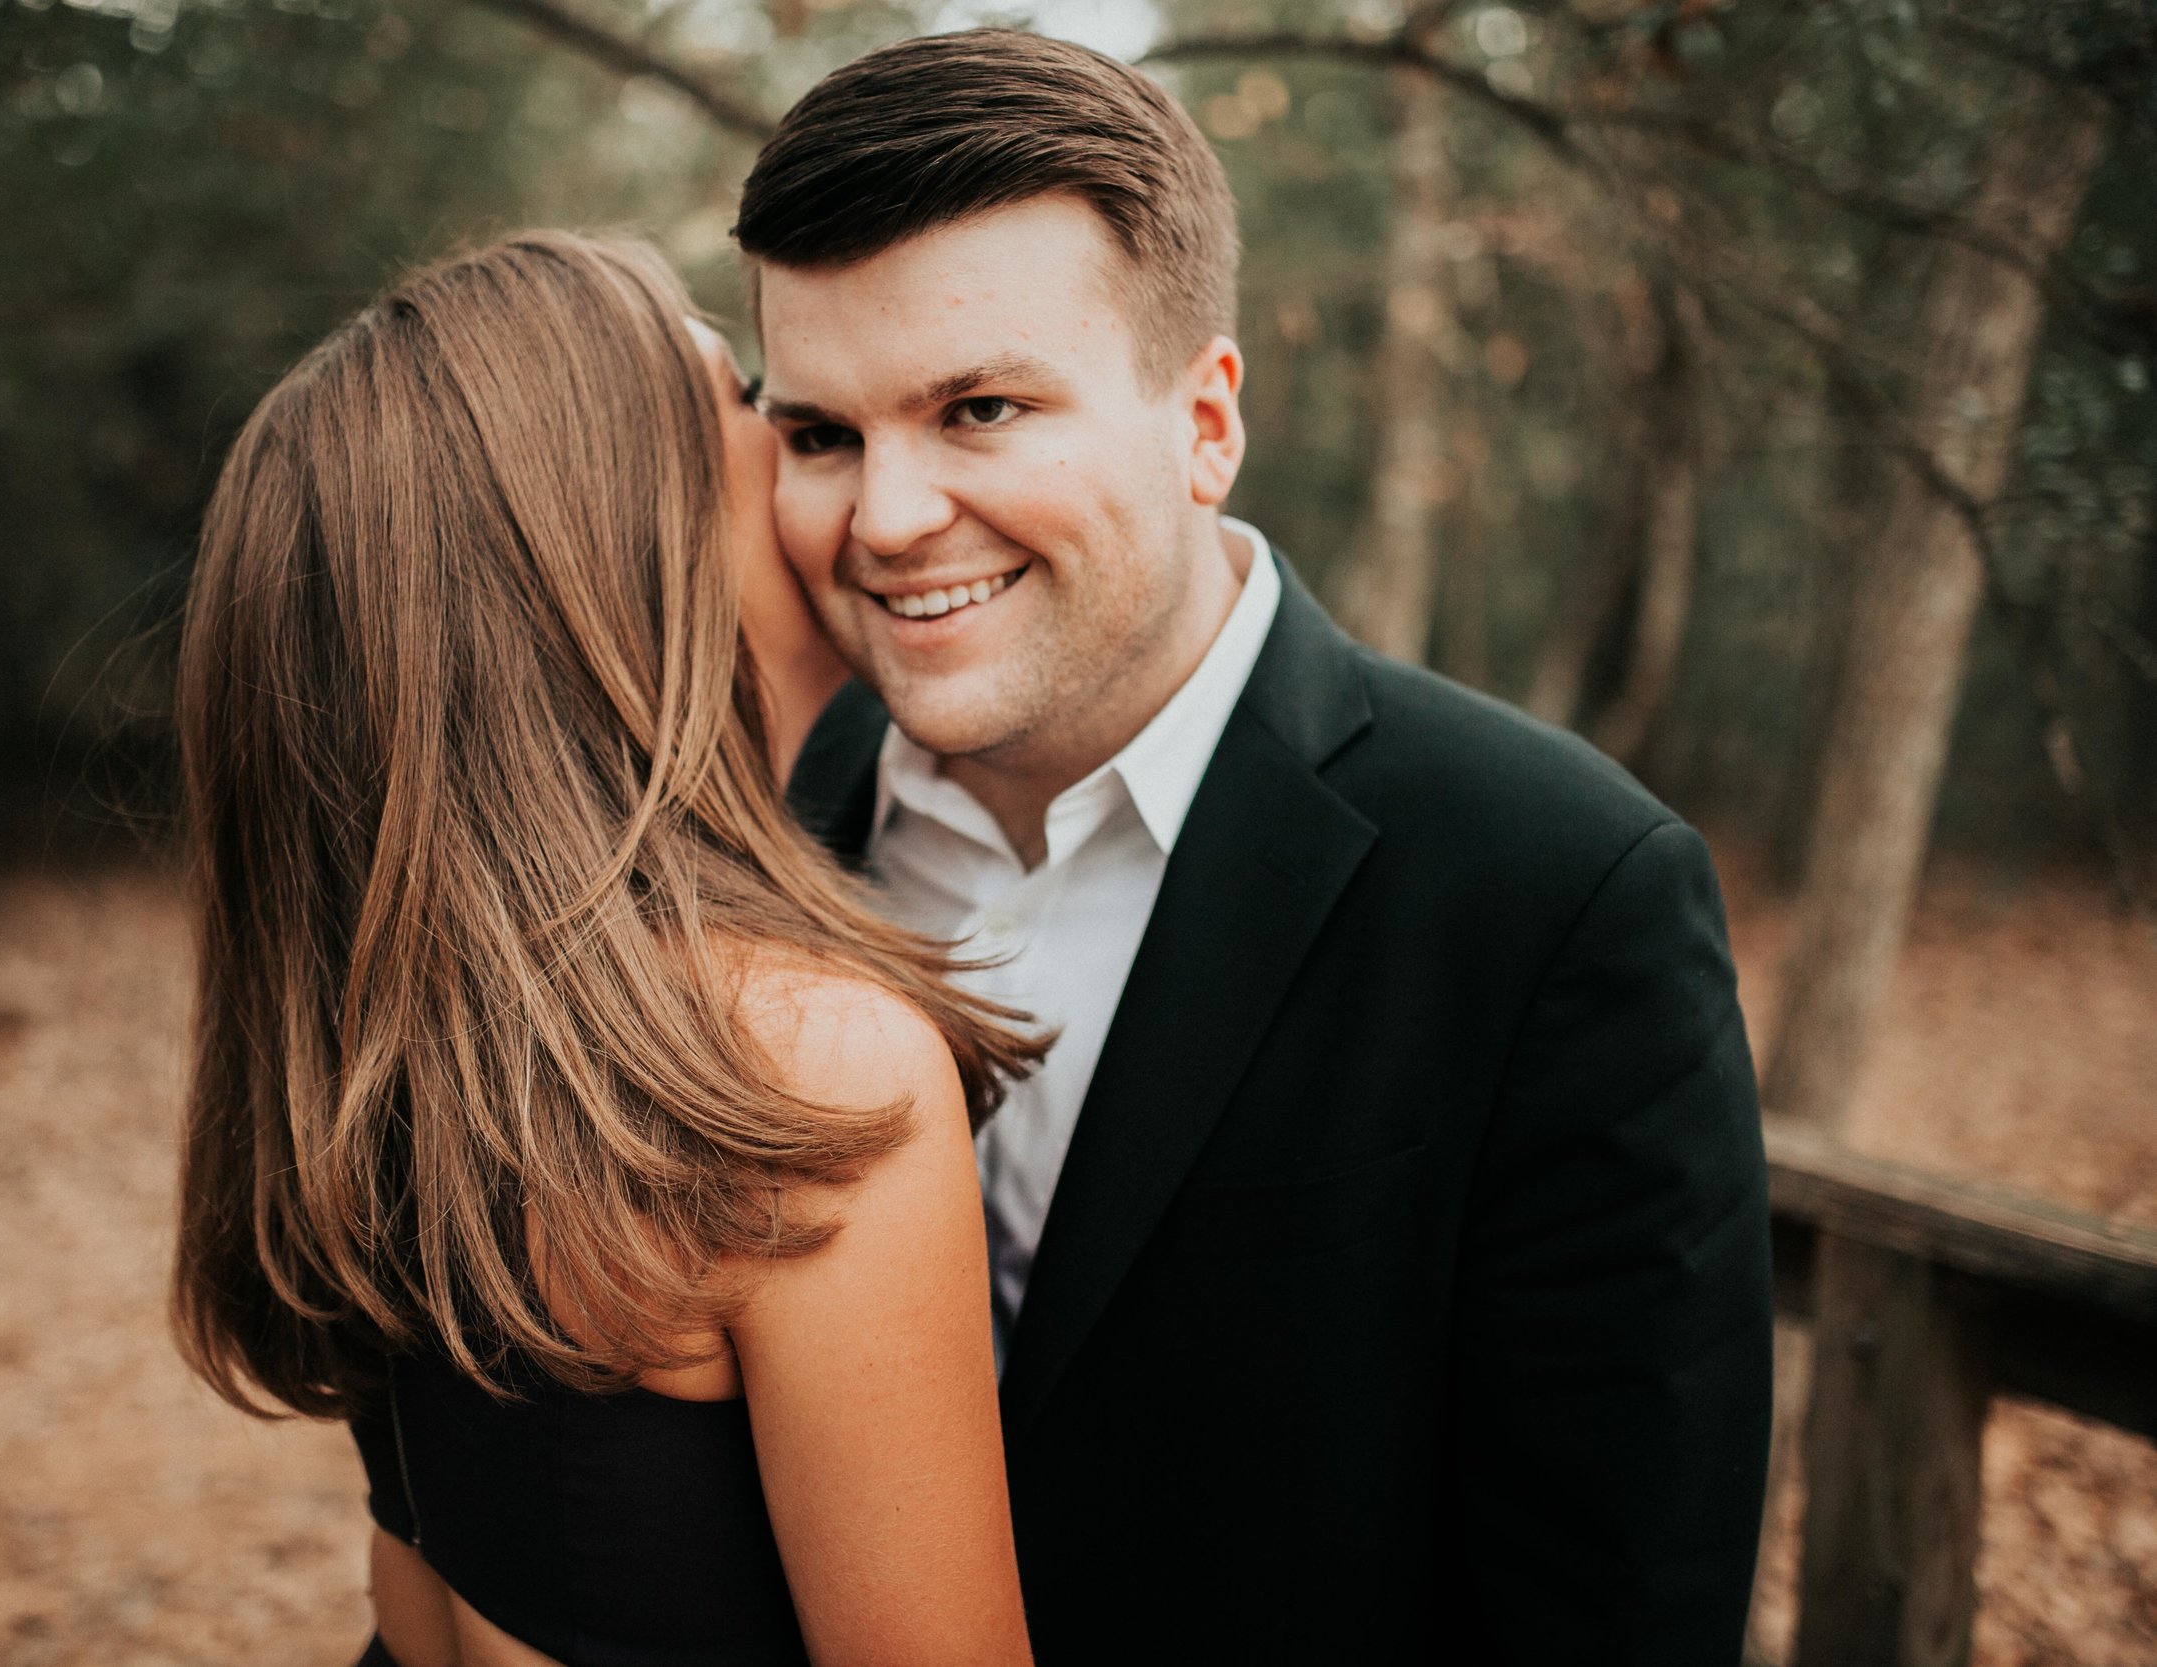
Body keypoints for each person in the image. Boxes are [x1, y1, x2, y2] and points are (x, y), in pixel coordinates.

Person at [741, 30, 1776, 1663]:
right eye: (819, 435)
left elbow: (1618, 1607)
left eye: (982, 407)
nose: (884, 517)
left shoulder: (1558, 891)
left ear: (1206, 419)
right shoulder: (764, 836)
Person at [169, 232, 1046, 1667]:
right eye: (755, 404)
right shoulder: (802, 1071)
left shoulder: (418, 1038)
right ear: (622, 542)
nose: (831, 467)